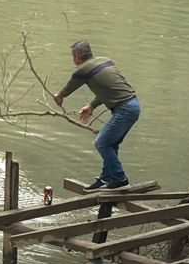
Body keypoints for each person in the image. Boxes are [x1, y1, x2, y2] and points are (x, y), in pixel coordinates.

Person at [53, 40, 140, 192]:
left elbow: (70, 86)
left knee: (102, 143)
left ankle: (120, 179)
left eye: (73, 57)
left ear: (77, 57)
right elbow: (109, 89)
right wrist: (91, 106)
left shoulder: (82, 70)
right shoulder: (105, 61)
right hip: (133, 106)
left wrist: (59, 96)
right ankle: (107, 178)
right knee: (111, 144)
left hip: (124, 109)